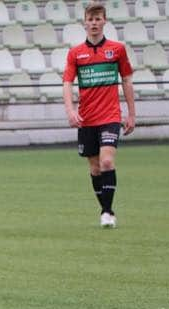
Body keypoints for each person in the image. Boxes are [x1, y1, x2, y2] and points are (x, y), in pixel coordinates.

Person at [63, 1, 136, 228]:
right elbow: (67, 83)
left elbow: (126, 80)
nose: (94, 23)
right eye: (90, 19)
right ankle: (104, 209)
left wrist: (131, 114)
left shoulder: (117, 49)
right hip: (87, 119)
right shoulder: (76, 53)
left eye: (98, 19)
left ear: (104, 21)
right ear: (85, 23)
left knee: (106, 162)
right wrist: (70, 110)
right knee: (94, 168)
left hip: (111, 116)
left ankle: (107, 211)